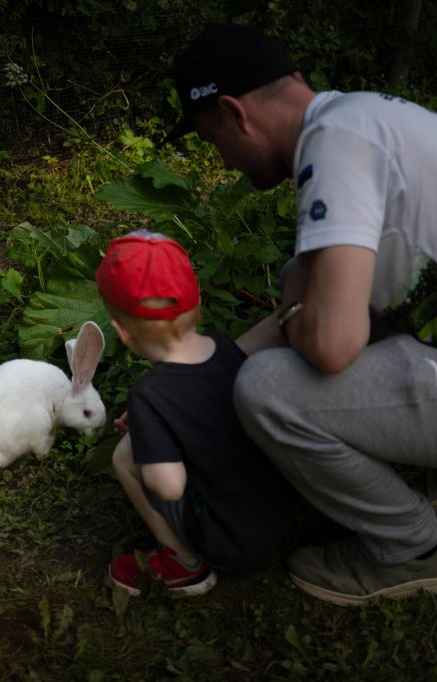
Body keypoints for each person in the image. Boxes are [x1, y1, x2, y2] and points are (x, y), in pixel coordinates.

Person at [163, 23, 437, 607]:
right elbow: (332, 301)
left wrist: (295, 301)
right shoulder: (359, 120)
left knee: (267, 389)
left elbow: (331, 345)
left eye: (211, 140)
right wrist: (191, 387)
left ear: (233, 113)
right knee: (312, 289)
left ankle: (413, 549)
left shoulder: (333, 151)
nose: (221, 160)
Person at [96, 230, 294, 596]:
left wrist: (150, 439)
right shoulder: (224, 346)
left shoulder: (149, 396)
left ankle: (182, 563)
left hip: (229, 542)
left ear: (121, 331)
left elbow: (169, 487)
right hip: (282, 513)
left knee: (125, 455)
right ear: (198, 299)